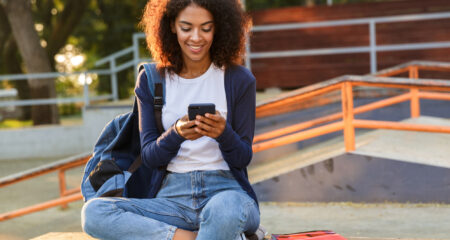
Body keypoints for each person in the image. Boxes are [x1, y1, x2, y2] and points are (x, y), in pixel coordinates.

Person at [81, 0, 260, 239]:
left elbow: (243, 157)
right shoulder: (152, 79)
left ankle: (213, 230)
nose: (196, 38)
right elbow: (151, 156)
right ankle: (192, 237)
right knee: (94, 212)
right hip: (173, 199)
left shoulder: (240, 80)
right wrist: (176, 133)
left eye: (206, 28)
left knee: (224, 211)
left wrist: (222, 133)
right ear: (172, 26)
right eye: (186, 28)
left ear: (219, 28)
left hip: (227, 192)